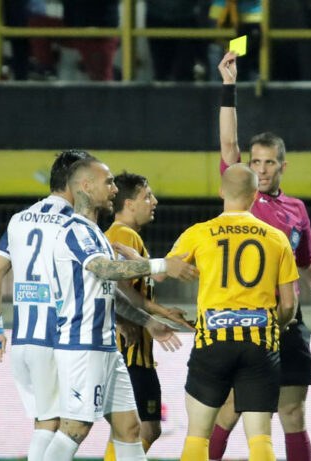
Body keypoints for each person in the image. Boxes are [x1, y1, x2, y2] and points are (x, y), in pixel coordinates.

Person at [209, 51, 311, 461]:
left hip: (288, 320)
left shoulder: (297, 209)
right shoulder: (243, 196)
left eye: (268, 163)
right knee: (232, 407)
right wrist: (229, 86)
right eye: (255, 162)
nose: (260, 169)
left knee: (293, 412)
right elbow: (228, 143)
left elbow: (307, 260)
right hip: (246, 319)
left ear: (283, 165)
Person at [43, 157, 198, 461]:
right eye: (108, 182)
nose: (114, 189)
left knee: (130, 428)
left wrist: (147, 321)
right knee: (76, 428)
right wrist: (161, 265)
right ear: (86, 186)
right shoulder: (75, 231)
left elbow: (110, 291)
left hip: (106, 349)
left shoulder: (96, 233)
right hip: (82, 346)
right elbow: (105, 269)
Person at [167, 163, 299, 461]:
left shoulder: (199, 233)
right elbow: (289, 305)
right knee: (261, 439)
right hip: (260, 343)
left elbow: (163, 272)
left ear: (220, 192)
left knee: (197, 436)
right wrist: (273, 326)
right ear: (254, 195)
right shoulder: (277, 238)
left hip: (212, 340)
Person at [0, 149, 91, 461]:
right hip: (54, 338)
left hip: (23, 339)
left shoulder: (19, 219)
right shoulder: (73, 224)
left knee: (46, 419)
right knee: (53, 423)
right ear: (76, 183)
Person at [102, 172, 193, 459]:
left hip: (135, 351)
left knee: (139, 428)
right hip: (127, 351)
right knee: (141, 428)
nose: (154, 202)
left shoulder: (127, 236)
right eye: (147, 196)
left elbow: (131, 291)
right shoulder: (123, 235)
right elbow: (116, 287)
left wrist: (163, 314)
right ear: (129, 204)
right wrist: (136, 320)